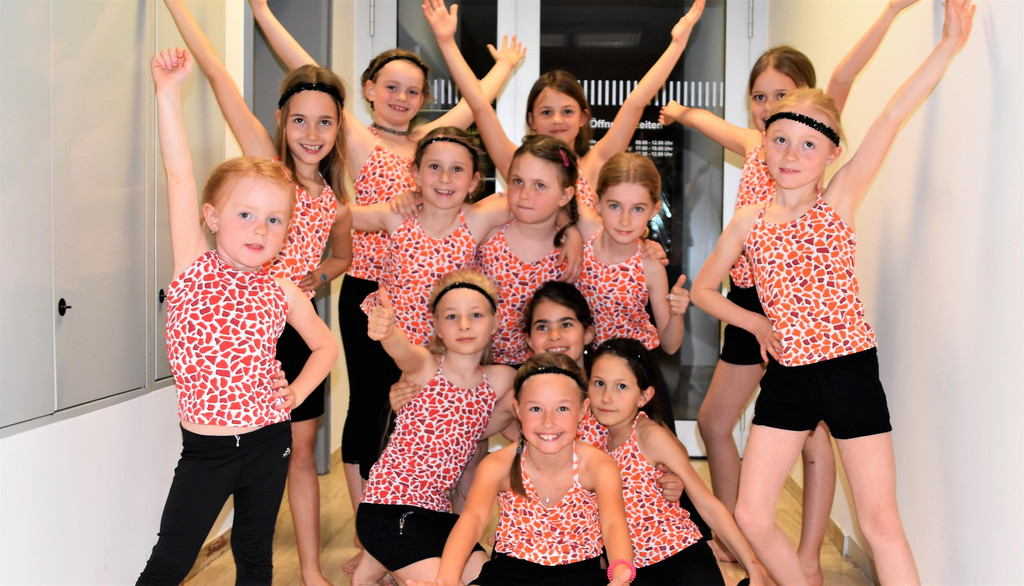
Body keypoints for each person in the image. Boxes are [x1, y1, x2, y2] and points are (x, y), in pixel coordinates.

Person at [691, 1, 973, 583]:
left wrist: (948, 44)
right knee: (752, 513)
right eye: (780, 140)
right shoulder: (748, 221)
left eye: (808, 144)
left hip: (848, 370)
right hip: (787, 376)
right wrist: (755, 323)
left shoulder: (838, 201)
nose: (791, 155)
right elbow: (703, 291)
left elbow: (891, 116)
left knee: (879, 520)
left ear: (832, 153)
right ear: (763, 145)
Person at [247, 3, 526, 566]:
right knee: (373, 406)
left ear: (424, 100)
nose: (401, 97)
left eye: (413, 90)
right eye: (391, 87)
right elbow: (306, 67)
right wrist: (262, 12)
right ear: (369, 90)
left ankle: (427, 523)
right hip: (372, 293)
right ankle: (366, 533)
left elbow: (475, 107)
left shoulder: (431, 145)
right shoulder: (356, 136)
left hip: (435, 307)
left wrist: (498, 66)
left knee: (429, 410)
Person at [160, 3, 352, 581]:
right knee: (171, 561)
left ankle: (307, 569)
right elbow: (178, 174)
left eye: (274, 221)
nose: (261, 229)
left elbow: (325, 345)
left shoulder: (282, 284)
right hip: (209, 447)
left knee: (255, 555)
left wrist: (289, 397)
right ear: (212, 218)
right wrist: (168, 92)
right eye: (246, 215)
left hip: (267, 435)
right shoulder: (195, 266)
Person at [423, 0, 705, 212]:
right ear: (531, 120)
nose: (557, 119)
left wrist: (676, 45)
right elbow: (480, 106)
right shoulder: (515, 164)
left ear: (583, 118)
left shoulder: (595, 164)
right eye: (546, 112)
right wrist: (447, 42)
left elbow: (635, 103)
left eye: (567, 111)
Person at [409, 353, 634, 586]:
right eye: (536, 409)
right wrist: (446, 579)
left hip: (580, 575)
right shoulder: (498, 465)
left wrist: (621, 575)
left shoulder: (599, 466)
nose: (548, 422)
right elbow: (472, 519)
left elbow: (613, 525)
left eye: (562, 408)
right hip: (509, 575)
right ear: (517, 409)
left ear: (582, 409)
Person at [354, 270, 517, 586]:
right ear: (437, 327)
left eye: (476, 315)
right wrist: (387, 331)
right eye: (452, 316)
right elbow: (402, 350)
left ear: (495, 322)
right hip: (389, 508)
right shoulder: (425, 366)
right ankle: (381, 561)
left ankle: (373, 568)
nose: (464, 325)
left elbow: (530, 400)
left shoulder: (500, 379)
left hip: (439, 516)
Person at [583, 339, 765, 586]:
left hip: (678, 559)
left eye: (622, 386)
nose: (606, 397)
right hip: (627, 569)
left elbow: (707, 503)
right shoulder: (585, 429)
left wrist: (753, 567)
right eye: (599, 383)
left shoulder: (649, 436)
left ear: (644, 396)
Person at [574, 153, 690, 354]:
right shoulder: (583, 237)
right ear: (597, 203)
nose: (625, 220)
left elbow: (670, 346)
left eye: (637, 209)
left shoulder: (650, 265)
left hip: (633, 364)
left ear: (653, 210)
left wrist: (676, 314)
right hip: (584, 362)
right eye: (615, 206)